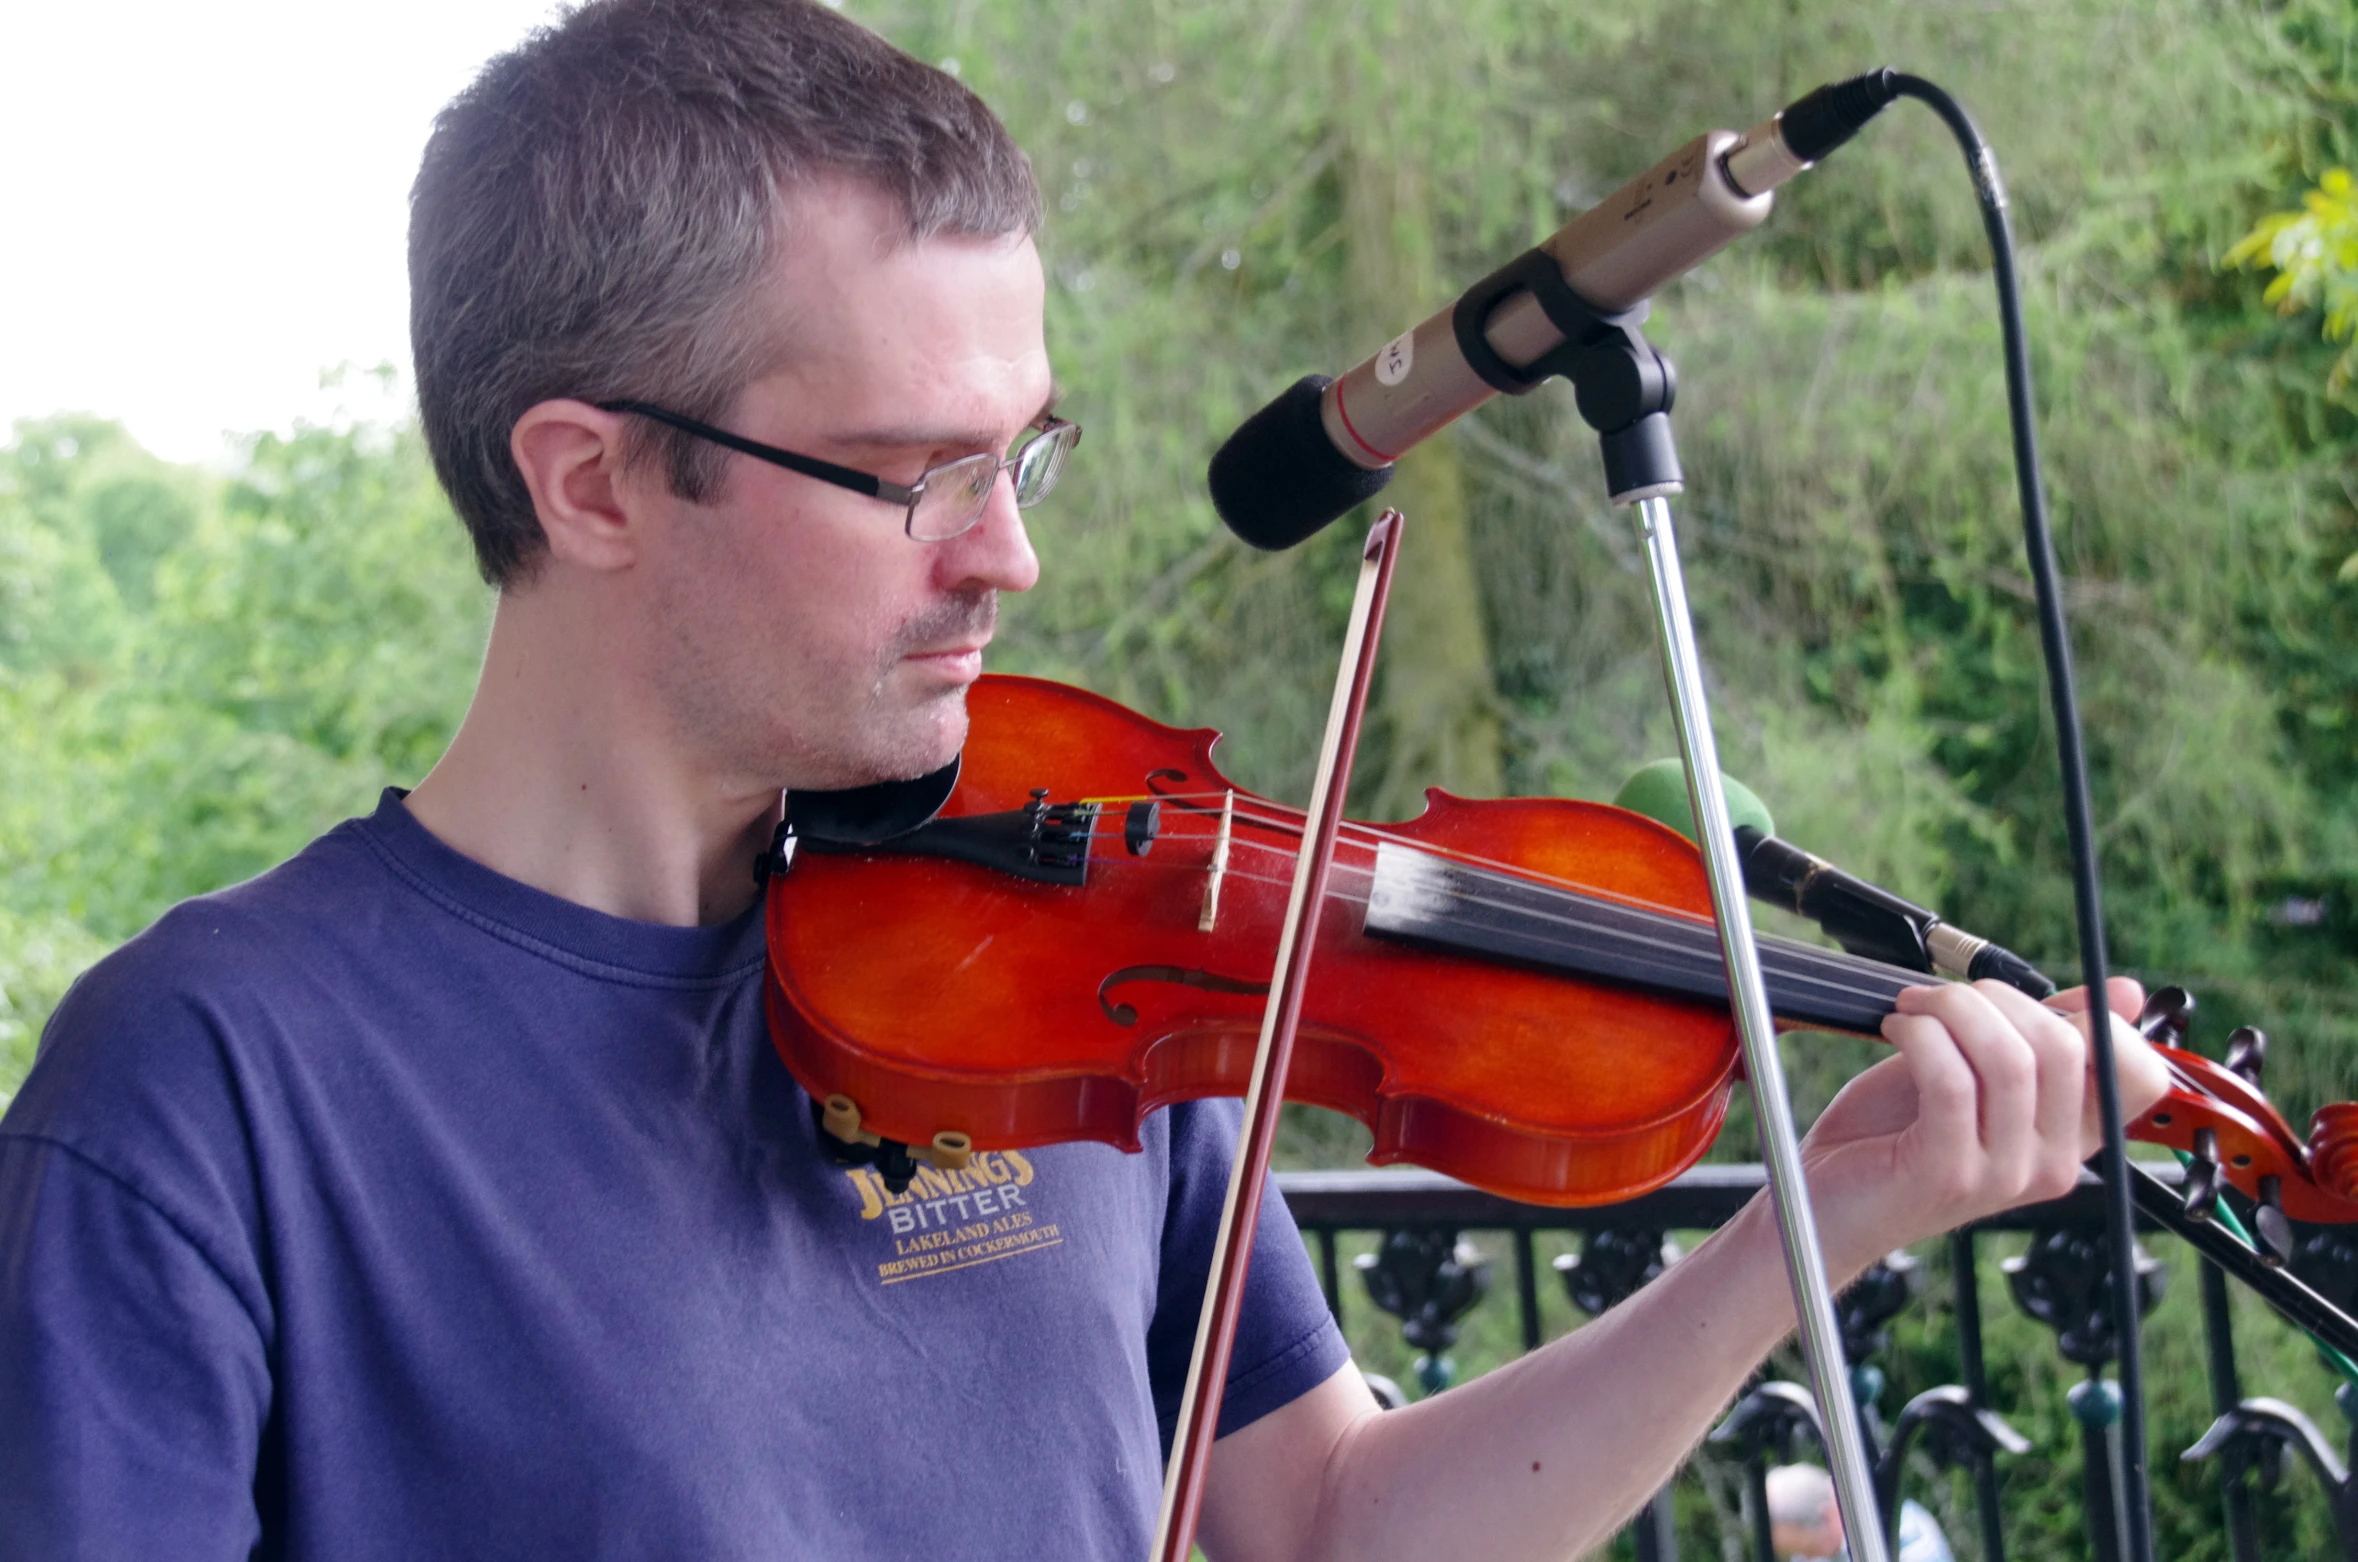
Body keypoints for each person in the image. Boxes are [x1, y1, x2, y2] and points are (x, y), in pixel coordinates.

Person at [0, 2, 2170, 1558]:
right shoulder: (206, 1090)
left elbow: (1319, 1521)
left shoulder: (1101, 951)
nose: (1008, 550)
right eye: (909, 472)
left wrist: (1837, 1207)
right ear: (589, 481)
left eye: (1021, 447)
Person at [1768, 1462, 1956, 1562]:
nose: (1804, 1559)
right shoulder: (1812, 1555)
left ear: (1827, 1516)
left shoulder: (1901, 1531)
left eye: (1807, 1549)